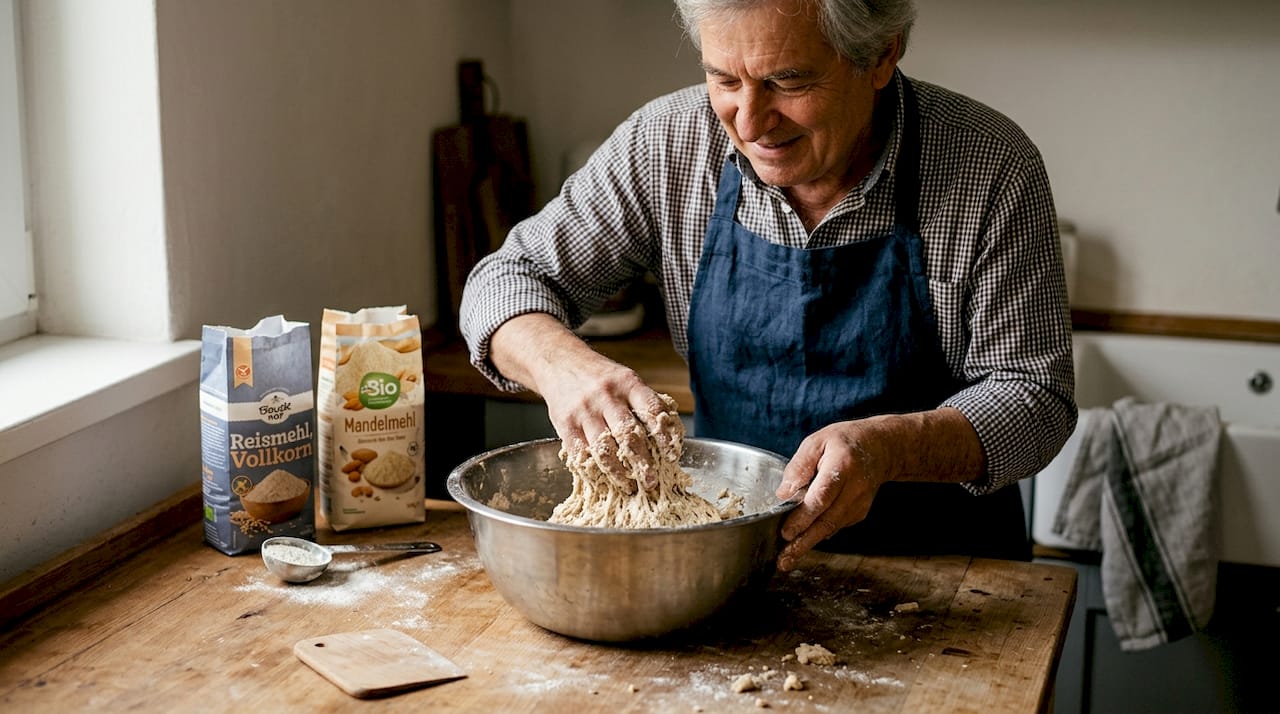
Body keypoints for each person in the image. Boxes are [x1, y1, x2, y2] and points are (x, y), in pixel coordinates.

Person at [460, 0, 1076, 571]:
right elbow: (505, 282)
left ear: (882, 55)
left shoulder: (988, 165)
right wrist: (564, 368)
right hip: (732, 563)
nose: (750, 122)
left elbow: (1037, 398)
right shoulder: (667, 145)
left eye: (789, 81)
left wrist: (888, 449)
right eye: (725, 80)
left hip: (946, 574)